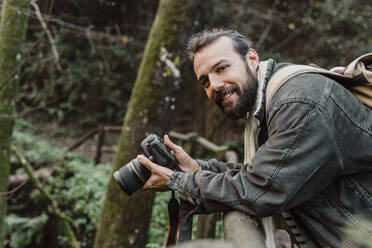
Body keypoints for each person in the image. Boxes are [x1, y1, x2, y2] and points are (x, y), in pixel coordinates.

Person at [136, 29, 372, 247]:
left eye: (221, 68)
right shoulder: (268, 101)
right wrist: (197, 168)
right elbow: (265, 171)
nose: (215, 86)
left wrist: (178, 181)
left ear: (251, 59)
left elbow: (260, 188)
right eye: (205, 81)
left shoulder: (298, 103)